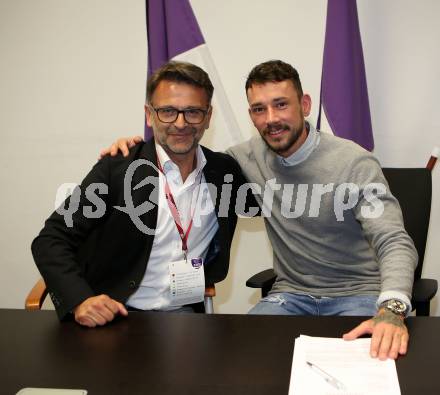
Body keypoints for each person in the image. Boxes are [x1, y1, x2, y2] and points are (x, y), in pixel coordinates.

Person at [101, 60, 417, 360]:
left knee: (360, 369)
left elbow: (394, 240)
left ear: (304, 105)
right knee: (237, 357)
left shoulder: (353, 162)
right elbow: (184, 153)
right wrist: (136, 151)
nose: (271, 119)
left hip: (357, 295)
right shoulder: (242, 160)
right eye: (258, 109)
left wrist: (392, 308)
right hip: (290, 296)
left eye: (281, 104)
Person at [31, 61, 248, 328]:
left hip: (184, 320)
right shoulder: (119, 168)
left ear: (208, 116)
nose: (180, 123)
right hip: (116, 316)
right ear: (149, 115)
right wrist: (80, 300)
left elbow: (276, 191)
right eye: (167, 111)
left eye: (192, 112)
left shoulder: (224, 172)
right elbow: (51, 239)